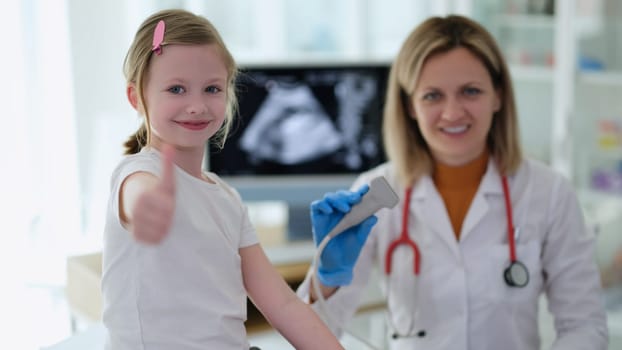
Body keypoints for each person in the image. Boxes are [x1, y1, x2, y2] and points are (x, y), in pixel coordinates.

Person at [297, 14, 609, 349]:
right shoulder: (377, 192)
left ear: (498, 96)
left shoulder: (548, 192)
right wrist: (325, 280)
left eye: (470, 91)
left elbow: (584, 326)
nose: (452, 112)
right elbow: (311, 336)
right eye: (432, 96)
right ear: (410, 105)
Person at [101, 9, 344, 350]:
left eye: (212, 88)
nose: (197, 105)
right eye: (176, 89)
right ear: (136, 97)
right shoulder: (139, 174)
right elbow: (138, 195)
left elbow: (283, 305)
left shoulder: (227, 198)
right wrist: (149, 206)